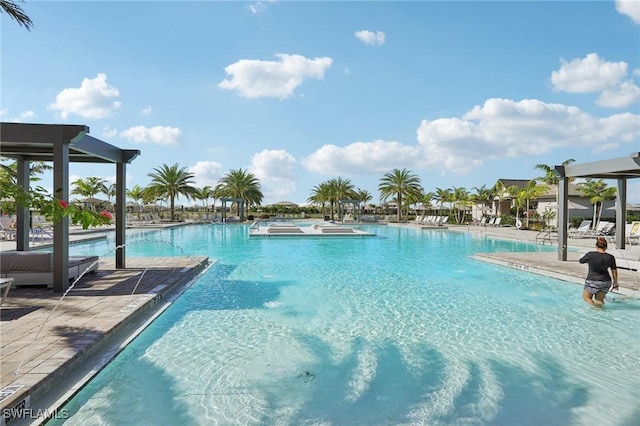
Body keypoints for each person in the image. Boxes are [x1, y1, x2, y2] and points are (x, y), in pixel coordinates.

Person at [579, 236, 618, 306]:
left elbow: (581, 261)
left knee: (586, 297)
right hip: (606, 282)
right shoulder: (610, 257)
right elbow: (614, 271)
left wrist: (589, 260)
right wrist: (615, 282)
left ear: (596, 246)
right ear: (606, 247)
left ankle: (594, 309)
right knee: (599, 300)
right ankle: (599, 311)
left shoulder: (590, 255)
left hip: (592, 280)